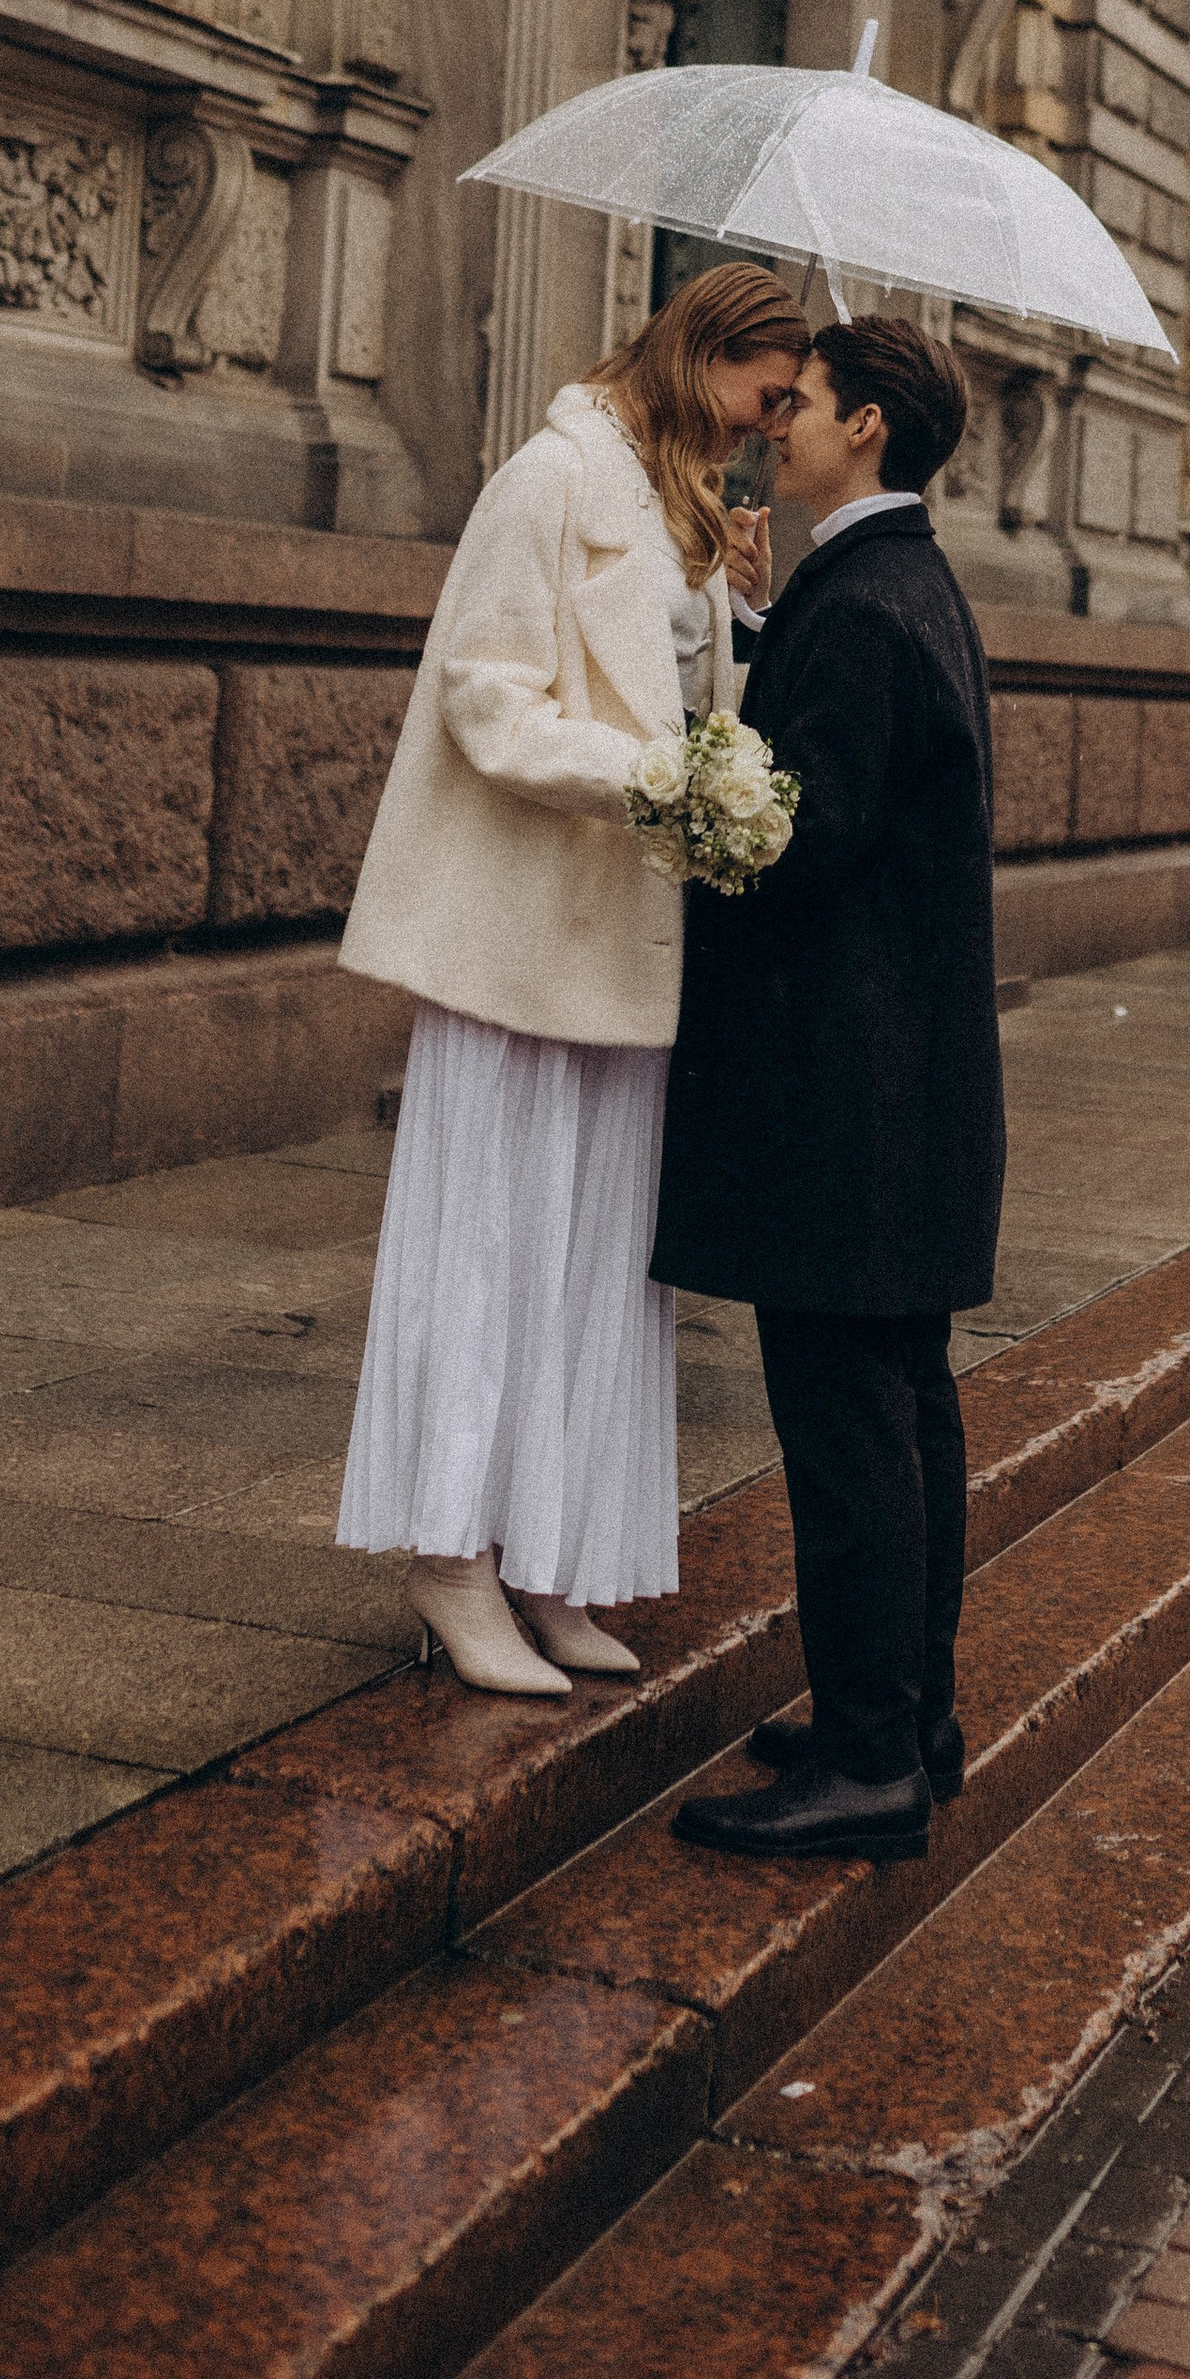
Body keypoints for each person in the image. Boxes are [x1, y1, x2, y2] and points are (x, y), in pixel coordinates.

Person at [334, 263, 809, 1695]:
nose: (775, 425)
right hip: (520, 938)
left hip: (631, 946)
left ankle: (551, 1561)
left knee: (602, 1267)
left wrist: (749, 628)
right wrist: (660, 778)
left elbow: (693, 714)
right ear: (704, 354)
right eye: (765, 393)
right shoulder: (548, 482)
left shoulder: (692, 511)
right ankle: (449, 1564)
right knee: (486, 1251)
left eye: (792, 405)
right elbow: (486, 700)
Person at [652, 316, 1004, 1866]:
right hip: (912, 1094)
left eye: (794, 407)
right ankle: (909, 1717)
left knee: (852, 1432)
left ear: (865, 427)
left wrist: (694, 788)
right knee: (906, 1412)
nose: (768, 429)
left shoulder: (860, 608)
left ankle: (868, 1760)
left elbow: (800, 841)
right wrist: (759, 630)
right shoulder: (896, 583)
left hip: (845, 1100)